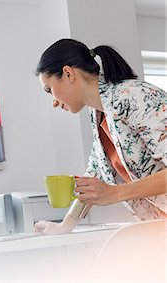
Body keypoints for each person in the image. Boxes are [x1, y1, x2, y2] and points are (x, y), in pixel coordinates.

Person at [34, 38, 166, 234]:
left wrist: (114, 193)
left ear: (68, 73)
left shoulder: (136, 96)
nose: (53, 102)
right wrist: (65, 225)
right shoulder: (99, 114)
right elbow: (94, 173)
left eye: (49, 90)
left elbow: (110, 192)